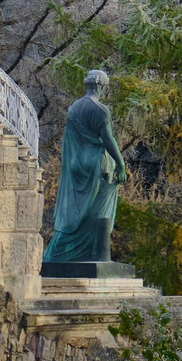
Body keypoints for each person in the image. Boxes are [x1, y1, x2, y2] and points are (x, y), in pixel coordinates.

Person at [41, 70, 125, 268]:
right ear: (102, 87)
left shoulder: (74, 107)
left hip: (76, 166)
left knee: (77, 212)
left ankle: (60, 253)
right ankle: (93, 252)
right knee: (96, 212)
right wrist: (120, 164)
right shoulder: (101, 110)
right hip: (96, 164)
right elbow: (108, 139)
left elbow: (71, 141)